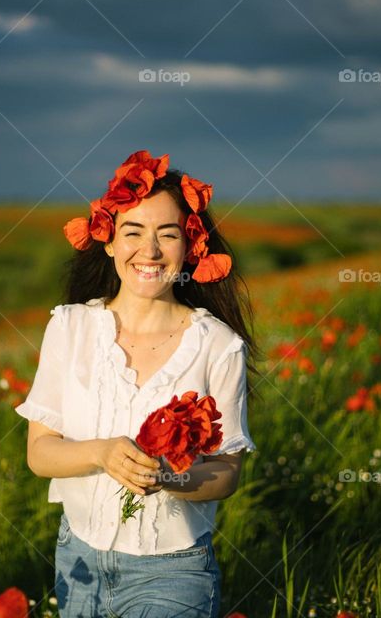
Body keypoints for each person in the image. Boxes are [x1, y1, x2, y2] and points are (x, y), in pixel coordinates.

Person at [15, 150, 260, 618]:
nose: (148, 252)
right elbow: (39, 453)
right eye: (132, 232)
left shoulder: (218, 345)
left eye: (167, 235)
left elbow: (227, 472)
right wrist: (101, 453)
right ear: (108, 241)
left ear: (191, 248)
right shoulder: (70, 328)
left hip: (175, 572)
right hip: (77, 558)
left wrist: (170, 477)